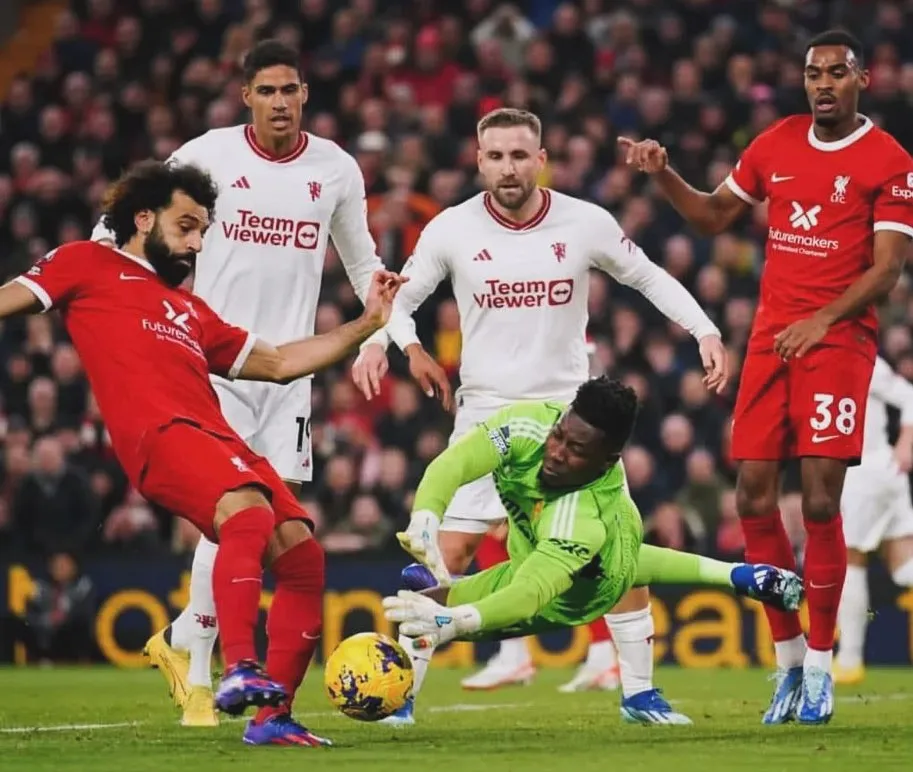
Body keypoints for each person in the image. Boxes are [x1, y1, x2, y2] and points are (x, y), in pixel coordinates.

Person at [89, 39, 447, 728]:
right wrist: (89, 285)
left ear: (305, 93)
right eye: (267, 91)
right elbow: (121, 227)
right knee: (232, 516)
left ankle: (191, 640)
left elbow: (364, 265)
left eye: (290, 90)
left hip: (290, 374)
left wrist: (400, 341)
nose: (280, 102)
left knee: (270, 528)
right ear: (245, 94)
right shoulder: (205, 157)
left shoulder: (334, 169)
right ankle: (199, 676)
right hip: (212, 364)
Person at [2, 159, 404, 746]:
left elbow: (279, 362)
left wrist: (367, 324)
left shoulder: (191, 310)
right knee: (247, 512)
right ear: (143, 218)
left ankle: (274, 719)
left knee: (302, 556)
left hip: (215, 435)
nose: (196, 243)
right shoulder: (84, 262)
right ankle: (239, 665)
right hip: (158, 435)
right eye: (187, 226)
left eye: (202, 231)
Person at [353, 107, 728, 724]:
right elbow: (398, 299)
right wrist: (398, 346)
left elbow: (649, 276)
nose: (508, 167)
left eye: (520, 155)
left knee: (621, 553)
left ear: (541, 159)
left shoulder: (584, 223)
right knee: (442, 557)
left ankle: (639, 693)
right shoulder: (452, 229)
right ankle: (402, 696)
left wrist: (705, 330)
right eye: (496, 156)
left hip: (571, 423)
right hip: (487, 414)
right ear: (478, 161)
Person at [618, 29, 913, 724]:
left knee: (816, 501)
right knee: (752, 498)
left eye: (836, 73)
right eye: (812, 73)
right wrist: (662, 173)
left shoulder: (891, 161)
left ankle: (819, 663)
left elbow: (887, 269)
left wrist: (822, 320)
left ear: (860, 80)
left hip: (837, 347)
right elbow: (715, 214)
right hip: (770, 341)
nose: (821, 85)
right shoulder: (776, 141)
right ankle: (784, 664)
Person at [381, 378, 802, 700]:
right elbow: (455, 463)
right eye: (560, 434)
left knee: (433, 609)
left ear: (608, 461)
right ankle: (741, 577)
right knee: (423, 594)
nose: (557, 451)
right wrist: (425, 515)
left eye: (575, 449)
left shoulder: (582, 515)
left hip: (574, 595)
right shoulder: (529, 424)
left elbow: (533, 593)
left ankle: (397, 700)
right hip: (548, 559)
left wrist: (456, 623)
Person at [835, 356, 913, 683]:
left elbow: (908, 395)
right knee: (903, 565)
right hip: (882, 471)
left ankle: (850, 659)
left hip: (864, 472)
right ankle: (849, 658)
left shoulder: (858, 357)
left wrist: (906, 444)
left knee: (851, 558)